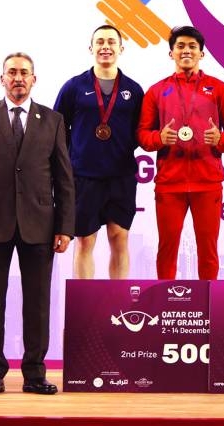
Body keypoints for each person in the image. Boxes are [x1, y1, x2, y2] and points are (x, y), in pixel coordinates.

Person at [0, 52, 74, 396]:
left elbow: (64, 180)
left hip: (40, 224)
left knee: (37, 302)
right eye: (12, 73)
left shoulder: (52, 120)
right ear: (1, 78)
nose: (18, 78)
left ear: (34, 79)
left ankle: (35, 374)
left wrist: (65, 227)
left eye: (24, 73)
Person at [136, 26, 224, 279]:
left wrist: (222, 139)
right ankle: (166, 302)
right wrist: (158, 138)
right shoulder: (156, 91)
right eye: (180, 46)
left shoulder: (219, 88)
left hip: (208, 182)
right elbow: (141, 134)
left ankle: (210, 304)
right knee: (167, 248)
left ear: (202, 54)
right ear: (171, 53)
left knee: (208, 249)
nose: (186, 50)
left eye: (192, 46)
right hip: (169, 183)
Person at [54, 25, 144, 279]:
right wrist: (78, 152)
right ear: (91, 48)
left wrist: (119, 148)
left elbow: (140, 131)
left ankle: (117, 304)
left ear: (120, 49)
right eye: (100, 42)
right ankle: (85, 305)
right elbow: (58, 129)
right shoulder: (74, 87)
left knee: (120, 239)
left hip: (121, 176)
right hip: (84, 176)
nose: (106, 46)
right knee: (84, 241)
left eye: (111, 42)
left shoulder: (134, 90)